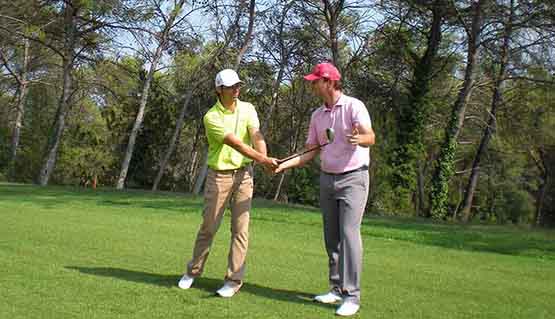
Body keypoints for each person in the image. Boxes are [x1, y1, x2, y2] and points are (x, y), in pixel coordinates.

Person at [274, 62, 375, 316]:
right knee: (331, 237)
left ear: (329, 82)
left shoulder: (354, 106)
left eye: (315, 81)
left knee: (349, 234)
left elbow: (370, 136)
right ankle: (336, 288)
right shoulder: (317, 115)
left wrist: (358, 139)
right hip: (327, 179)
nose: (312, 84)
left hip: (354, 178)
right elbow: (310, 151)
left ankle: (352, 296)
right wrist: (283, 165)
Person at [178, 69, 277, 297]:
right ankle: (193, 271)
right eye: (232, 86)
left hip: (244, 175)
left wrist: (264, 160)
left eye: (238, 85)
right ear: (219, 90)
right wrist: (264, 160)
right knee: (209, 227)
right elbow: (236, 144)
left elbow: (256, 135)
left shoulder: (248, 108)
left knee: (240, 229)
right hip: (219, 176)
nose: (236, 89)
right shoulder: (211, 117)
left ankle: (233, 281)